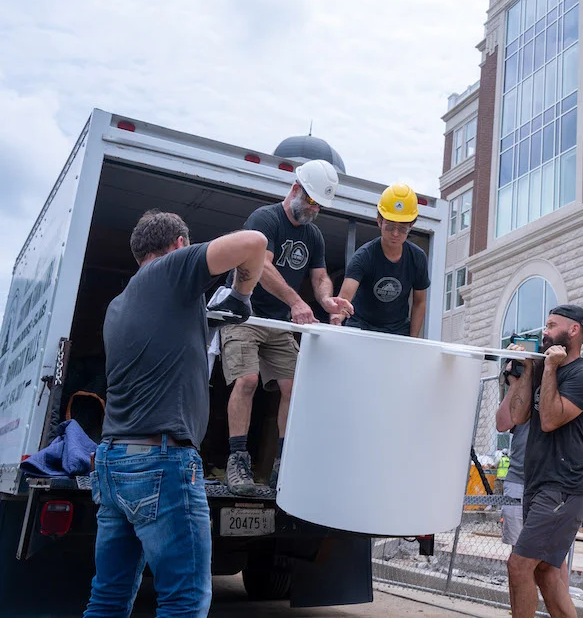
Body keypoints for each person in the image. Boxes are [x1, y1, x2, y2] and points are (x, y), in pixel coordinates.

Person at [84, 210, 267, 618]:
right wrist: (241, 292)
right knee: (183, 602)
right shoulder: (171, 270)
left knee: (108, 599)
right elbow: (254, 243)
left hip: (114, 461)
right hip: (162, 464)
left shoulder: (120, 303)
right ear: (181, 245)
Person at [221, 160, 353, 494]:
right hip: (245, 313)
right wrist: (296, 302)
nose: (313, 208)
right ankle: (237, 462)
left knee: (294, 389)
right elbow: (262, 267)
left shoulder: (314, 235)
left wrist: (326, 301)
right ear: (295, 189)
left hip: (276, 323)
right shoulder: (264, 219)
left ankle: (285, 464)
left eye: (318, 205)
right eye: (309, 200)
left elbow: (320, 276)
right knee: (248, 380)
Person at [504, 305, 583, 618]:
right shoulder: (541, 371)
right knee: (545, 573)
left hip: (563, 488)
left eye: (550, 325)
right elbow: (516, 418)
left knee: (519, 565)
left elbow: (549, 420)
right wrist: (522, 373)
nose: (543, 332)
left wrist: (548, 370)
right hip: (537, 483)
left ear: (573, 330)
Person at [332, 183, 429, 336]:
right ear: (379, 221)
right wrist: (338, 317)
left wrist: (413, 340)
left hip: (397, 329)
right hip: (361, 326)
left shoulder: (417, 258)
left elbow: (420, 302)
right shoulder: (364, 256)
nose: (395, 234)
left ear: (412, 225)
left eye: (403, 228)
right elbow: (345, 298)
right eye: (390, 227)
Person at [495, 361, 529, 548]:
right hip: (517, 479)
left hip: (544, 483)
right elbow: (501, 425)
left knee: (546, 554)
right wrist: (514, 385)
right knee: (518, 550)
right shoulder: (518, 396)